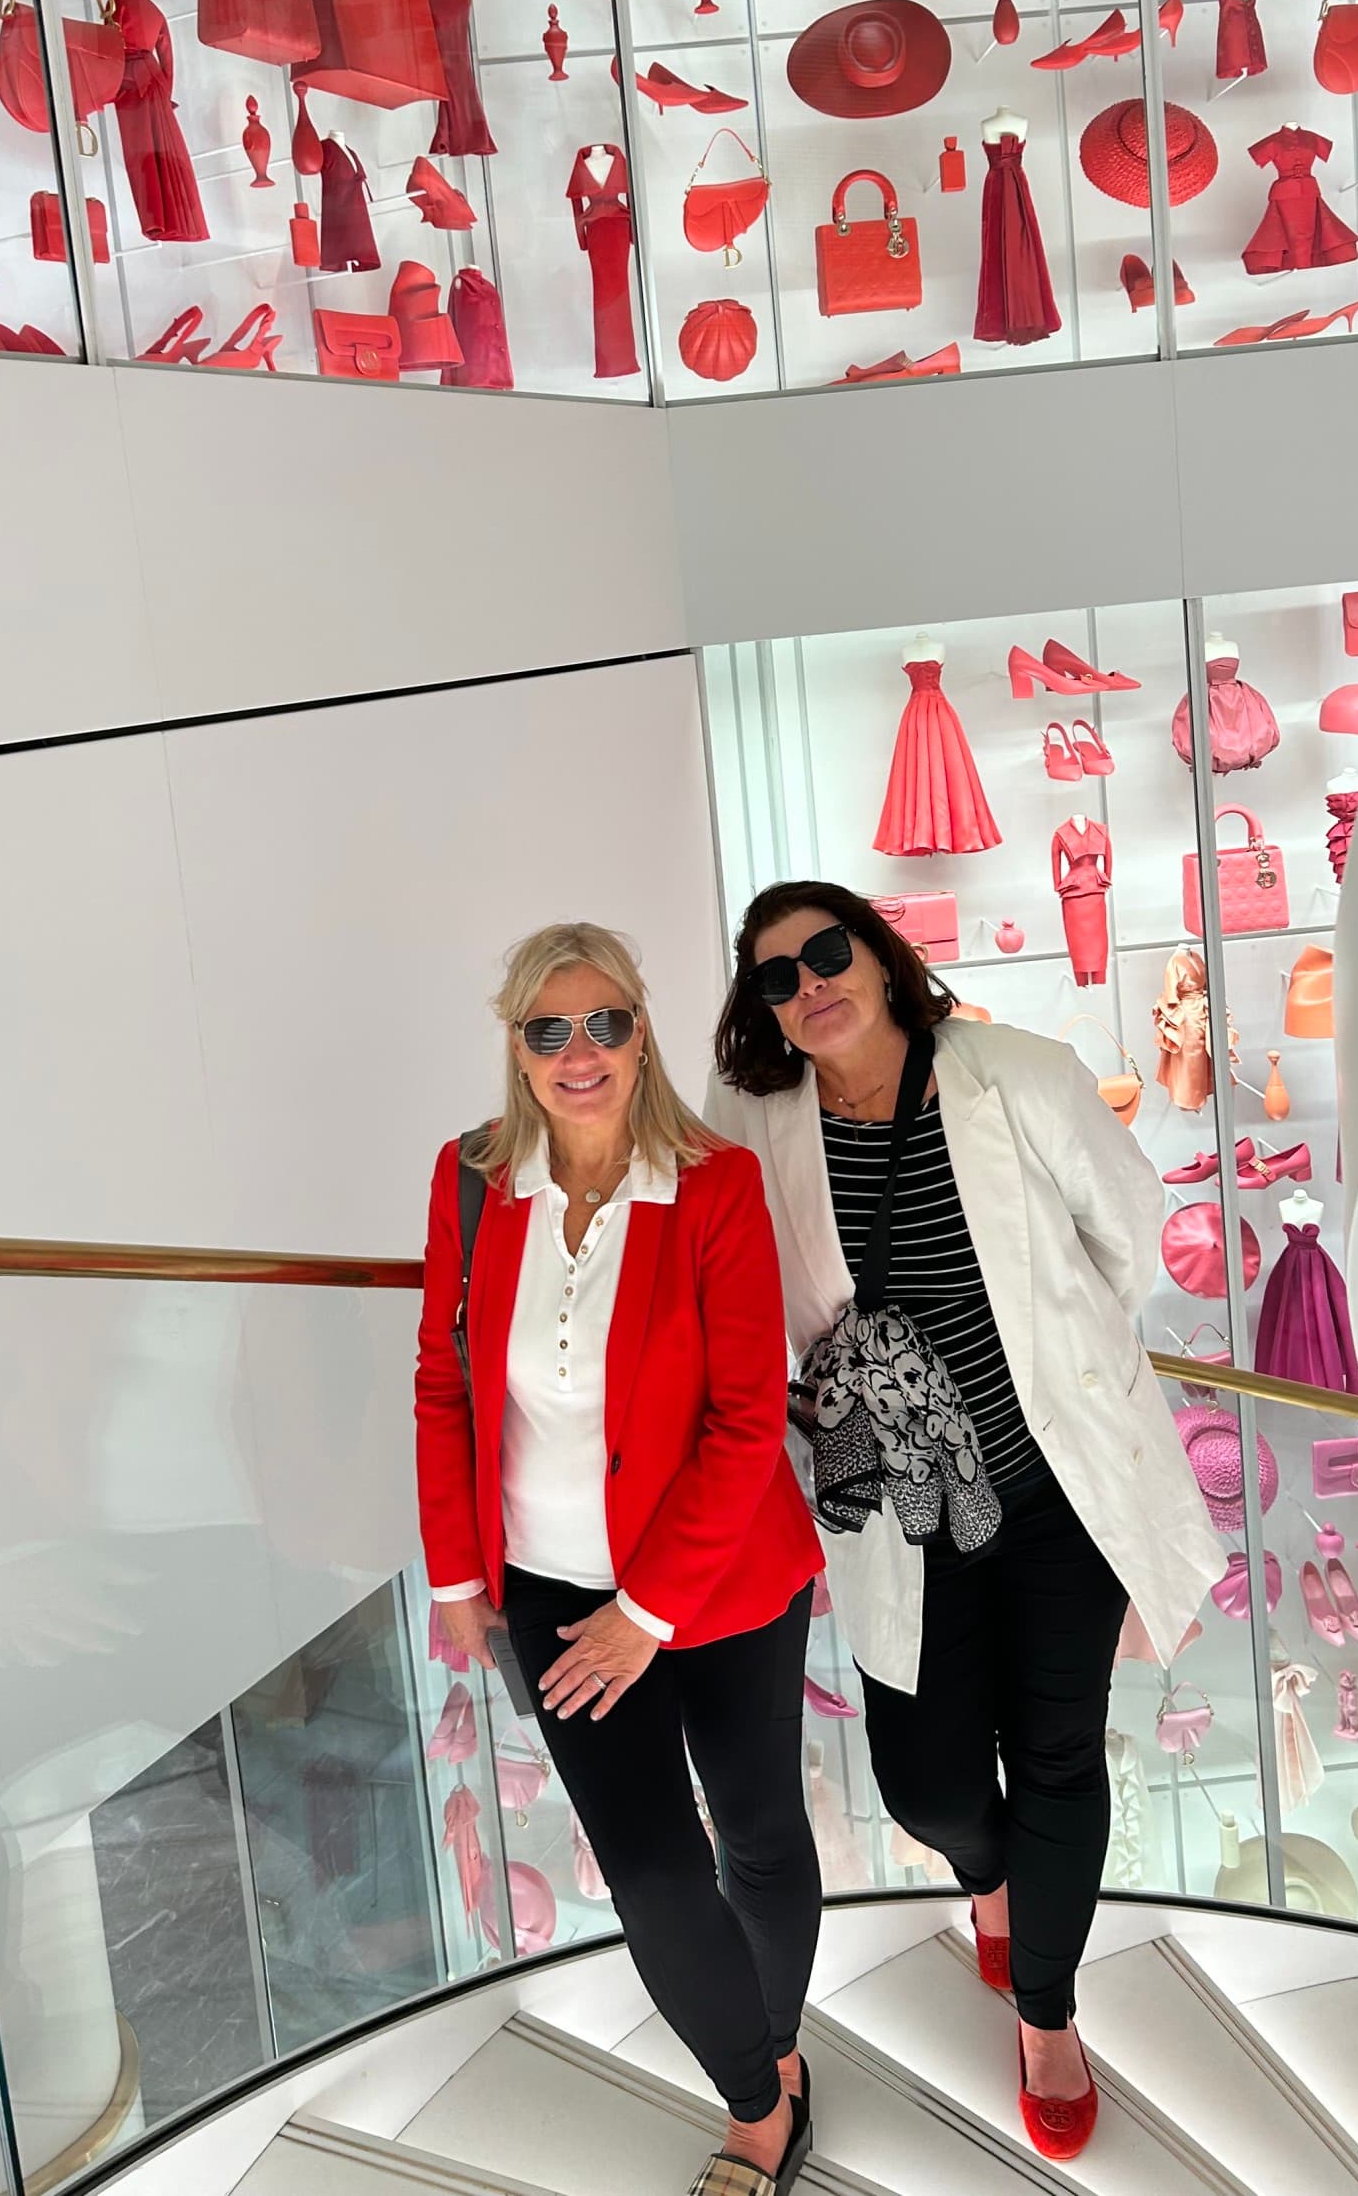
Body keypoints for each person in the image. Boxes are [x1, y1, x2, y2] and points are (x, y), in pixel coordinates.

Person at [708, 883, 1224, 2164]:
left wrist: (1055, 1372)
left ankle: (1045, 2014)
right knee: (927, 1779)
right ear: (763, 1010)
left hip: (1056, 1496)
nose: (811, 984)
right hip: (908, 1508)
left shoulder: (1013, 1076)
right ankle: (990, 1885)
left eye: (828, 953)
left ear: (880, 960)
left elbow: (1129, 1243)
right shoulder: (754, 1128)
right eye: (778, 976)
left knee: (1056, 1755)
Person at [417, 924, 824, 2196]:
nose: (578, 1051)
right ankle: (757, 2095)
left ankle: (782, 2044)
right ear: (516, 1047)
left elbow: (748, 1417)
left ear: (641, 1032)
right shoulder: (473, 1178)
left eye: (604, 1023)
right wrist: (456, 1581)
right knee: (650, 1872)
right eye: (548, 1028)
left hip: (721, 1586)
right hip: (544, 1588)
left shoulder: (707, 1186)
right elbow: (443, 1381)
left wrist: (646, 1612)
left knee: (755, 1830)